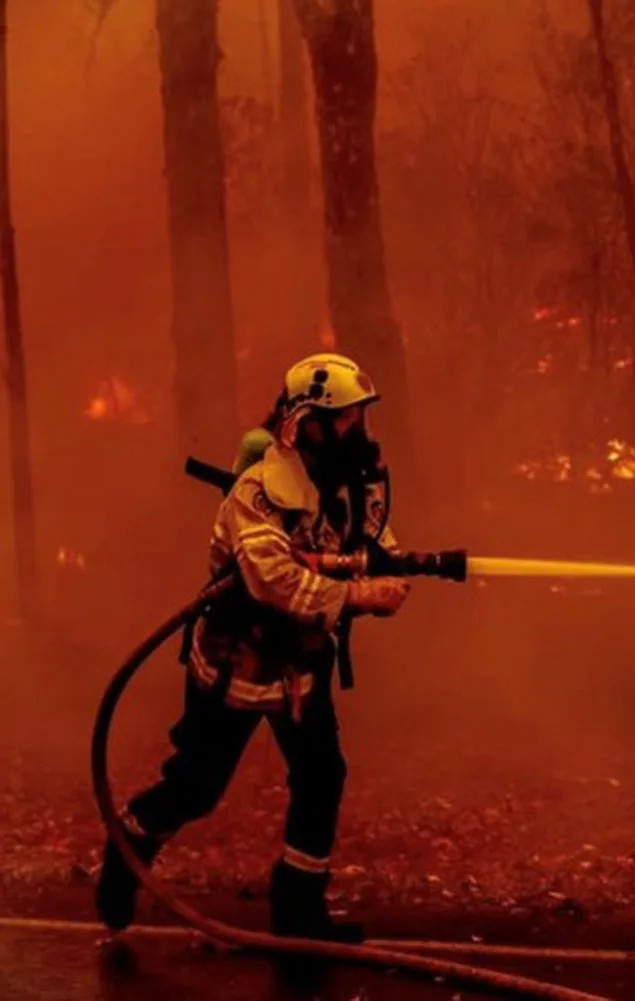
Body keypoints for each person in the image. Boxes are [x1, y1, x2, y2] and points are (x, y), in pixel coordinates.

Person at [96, 353, 411, 943]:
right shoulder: (260, 489)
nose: (356, 430)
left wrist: (387, 562)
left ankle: (298, 910)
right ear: (308, 423)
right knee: (198, 786)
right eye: (344, 418)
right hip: (236, 662)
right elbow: (273, 580)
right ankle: (129, 844)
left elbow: (370, 535)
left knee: (322, 776)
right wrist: (358, 595)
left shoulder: (353, 477)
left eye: (359, 417)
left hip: (302, 662)